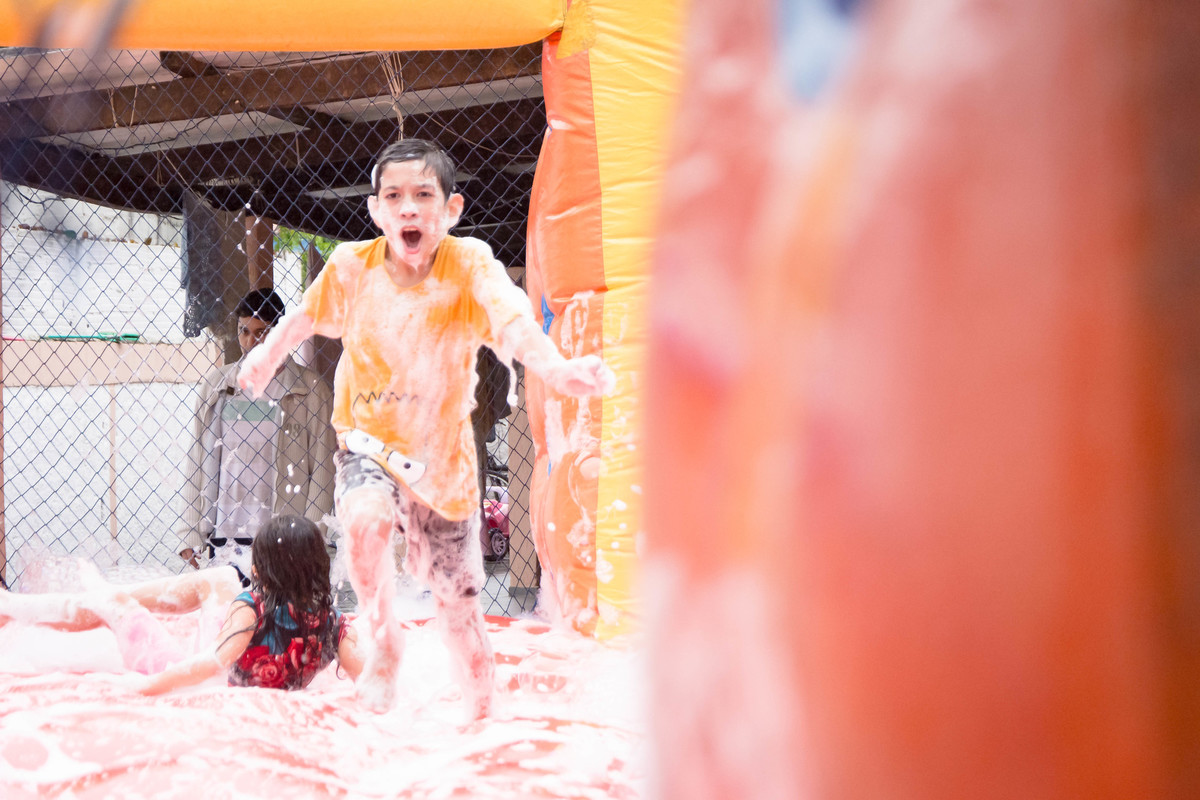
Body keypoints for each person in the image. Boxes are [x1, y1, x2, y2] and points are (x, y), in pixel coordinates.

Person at [238, 139, 615, 718]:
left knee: (460, 613)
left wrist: (557, 369)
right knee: (364, 522)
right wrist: (265, 358)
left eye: (423, 196)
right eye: (394, 196)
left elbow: (513, 322)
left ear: (451, 210)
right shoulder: (351, 268)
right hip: (367, 443)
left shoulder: (469, 265)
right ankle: (384, 635)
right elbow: (303, 319)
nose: (409, 209)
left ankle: (483, 718)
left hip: (444, 465)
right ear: (376, 211)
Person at [0, 516, 363, 694]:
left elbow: (208, 665)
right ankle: (107, 593)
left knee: (112, 603)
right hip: (229, 671)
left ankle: (12, 608)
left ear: (264, 569)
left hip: (199, 679)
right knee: (220, 578)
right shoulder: (334, 624)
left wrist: (139, 689)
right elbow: (372, 680)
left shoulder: (251, 607)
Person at [176, 288, 337, 585]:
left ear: (280, 334)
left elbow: (324, 471)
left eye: (262, 332)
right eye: (244, 331)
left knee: (280, 622)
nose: (251, 342)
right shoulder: (217, 386)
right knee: (232, 618)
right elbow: (197, 460)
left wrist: (312, 538)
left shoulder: (311, 390)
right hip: (225, 533)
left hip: (283, 538)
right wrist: (189, 531)